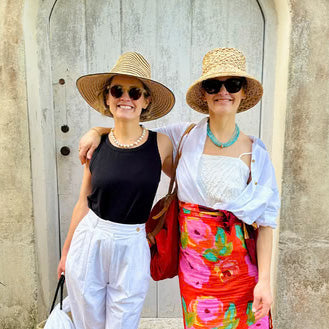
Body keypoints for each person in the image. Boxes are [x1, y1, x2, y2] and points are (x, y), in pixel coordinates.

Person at [78, 48, 280, 329]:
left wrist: (265, 283)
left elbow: (266, 222)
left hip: (243, 272)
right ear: (203, 94)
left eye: (232, 84)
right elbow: (132, 133)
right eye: (213, 85)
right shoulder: (182, 137)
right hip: (195, 271)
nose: (223, 92)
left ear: (244, 92)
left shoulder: (256, 153)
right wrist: (97, 131)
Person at [57, 51, 175, 329]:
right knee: (88, 319)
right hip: (90, 238)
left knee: (124, 320)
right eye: (117, 90)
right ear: (107, 99)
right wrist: (65, 253)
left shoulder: (162, 144)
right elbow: (83, 202)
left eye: (135, 92)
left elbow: (189, 178)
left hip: (133, 242)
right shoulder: (95, 145)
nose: (126, 97)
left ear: (146, 101)